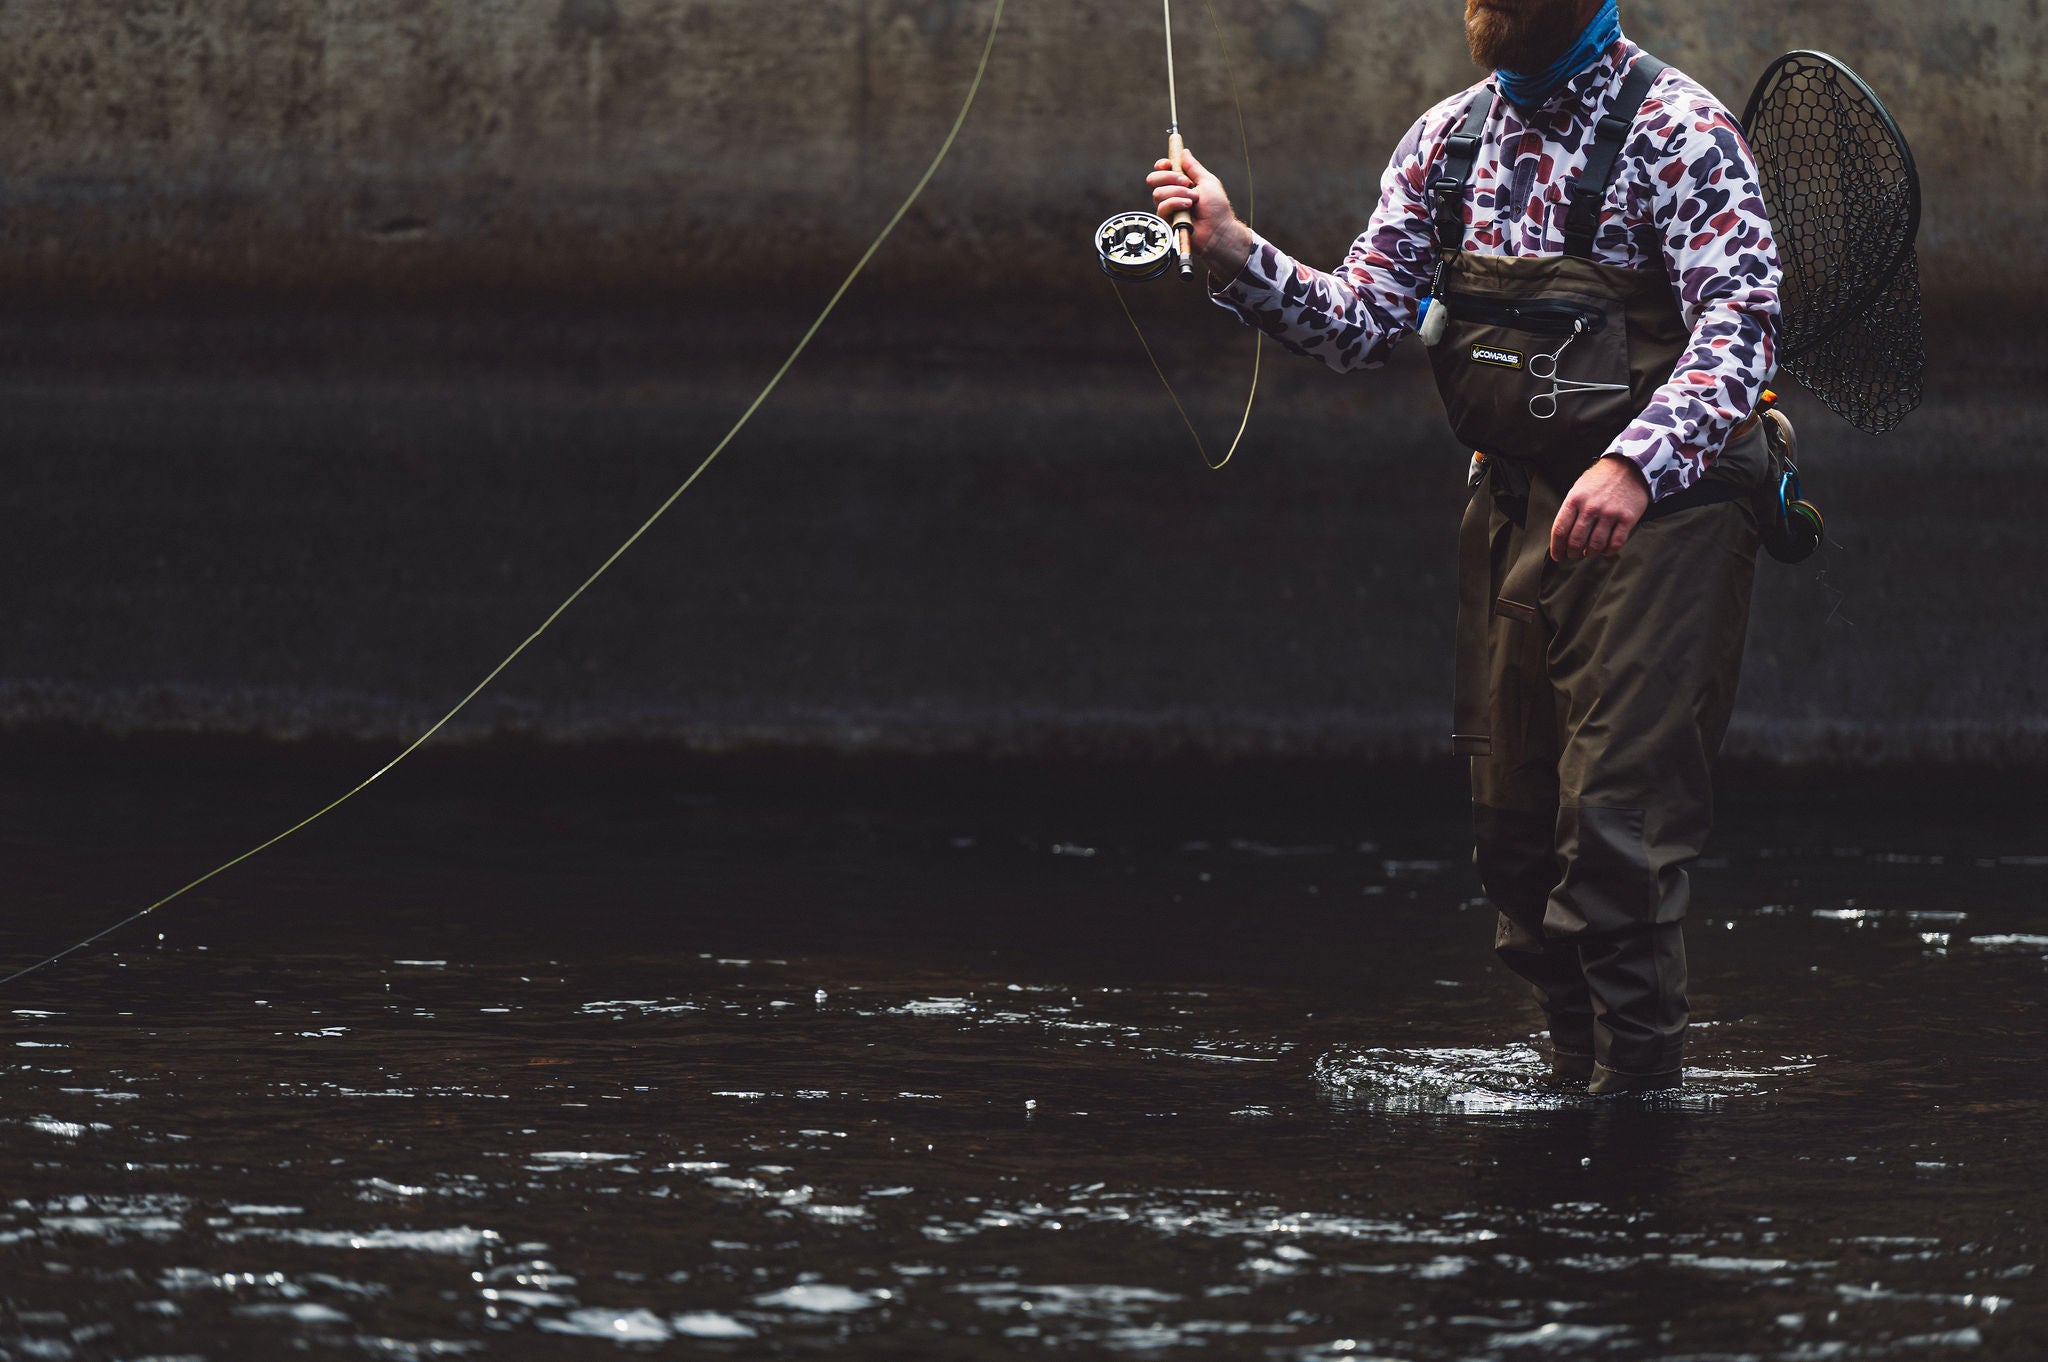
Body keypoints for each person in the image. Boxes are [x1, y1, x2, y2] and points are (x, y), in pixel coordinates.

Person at [1149, 0, 1780, 1094]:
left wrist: (1634, 465)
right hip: (1514, 507)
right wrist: (1228, 250)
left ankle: (1635, 1123)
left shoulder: (1681, 131)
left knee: (1613, 835)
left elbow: (1741, 331)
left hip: (1666, 513)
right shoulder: (1443, 143)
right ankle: (1575, 1095)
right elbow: (1360, 321)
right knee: (1513, 844)